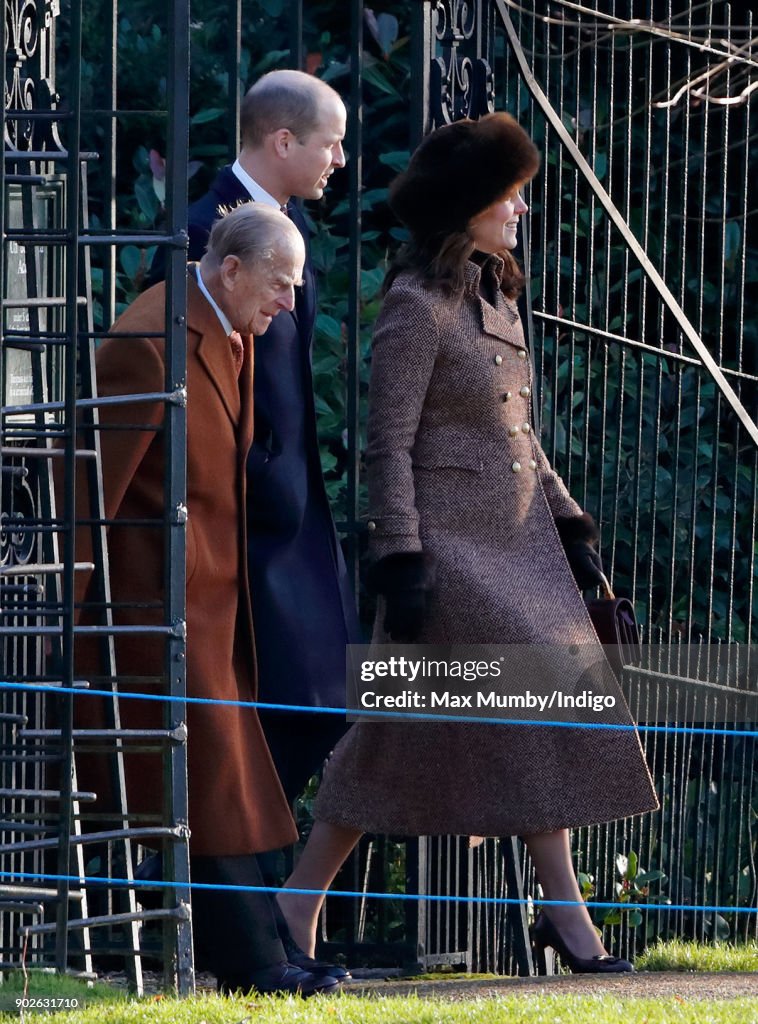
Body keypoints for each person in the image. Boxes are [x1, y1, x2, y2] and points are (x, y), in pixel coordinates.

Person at [275, 114, 659, 974]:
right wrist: (402, 560)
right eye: (508, 195)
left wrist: (574, 529)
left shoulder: (498, 301)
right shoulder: (416, 306)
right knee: (464, 716)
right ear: (469, 207)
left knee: (459, 726)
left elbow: (521, 440)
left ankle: (309, 899)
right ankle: (556, 913)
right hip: (451, 559)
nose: (520, 209)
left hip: (521, 548)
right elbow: (388, 446)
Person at [73, 204, 341, 995]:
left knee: (227, 786)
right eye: (281, 285)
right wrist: (66, 623)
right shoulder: (148, 339)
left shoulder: (231, 322)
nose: (290, 303)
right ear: (230, 269)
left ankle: (269, 954)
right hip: (150, 611)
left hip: (216, 609)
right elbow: (86, 490)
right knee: (212, 787)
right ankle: (259, 963)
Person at [148, 68, 361, 806]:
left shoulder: (287, 229)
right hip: (241, 518)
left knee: (325, 700)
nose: (340, 160)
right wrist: (256, 469)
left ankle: (249, 884)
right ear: (282, 140)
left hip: (289, 512)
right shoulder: (205, 231)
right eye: (330, 144)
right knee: (287, 707)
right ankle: (230, 883)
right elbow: (174, 375)